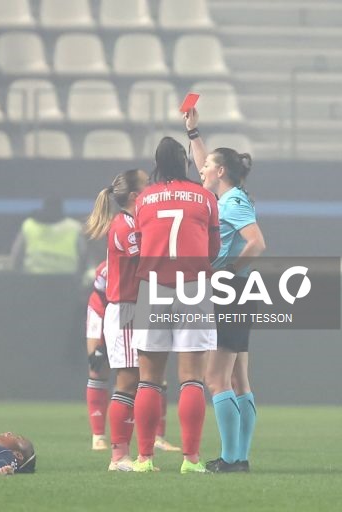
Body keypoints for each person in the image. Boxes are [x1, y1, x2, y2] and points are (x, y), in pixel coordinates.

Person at [131, 137, 220, 473]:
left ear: (156, 163)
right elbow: (213, 247)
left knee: (148, 380)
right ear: (184, 162)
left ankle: (143, 458)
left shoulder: (142, 199)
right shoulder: (205, 197)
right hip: (193, 286)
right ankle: (191, 460)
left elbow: (140, 244)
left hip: (152, 286)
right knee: (192, 378)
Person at [186, 108, 266, 473]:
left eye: (207, 168)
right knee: (238, 379)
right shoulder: (234, 195)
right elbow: (206, 165)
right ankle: (239, 458)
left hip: (228, 288)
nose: (200, 170)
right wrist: (194, 133)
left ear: (220, 173)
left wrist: (226, 270)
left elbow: (257, 243)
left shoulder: (230, 202)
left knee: (215, 378)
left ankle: (232, 459)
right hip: (242, 290)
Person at [86, 169, 151, 471]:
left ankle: (130, 453)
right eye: (148, 185)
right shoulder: (124, 226)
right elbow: (148, 261)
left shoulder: (133, 222)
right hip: (126, 310)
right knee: (127, 381)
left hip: (137, 308)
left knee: (138, 381)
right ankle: (118, 456)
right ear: (137, 196)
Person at [10, 196, 86, 276]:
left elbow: (16, 259)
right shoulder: (75, 227)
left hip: (33, 280)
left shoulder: (29, 226)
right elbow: (84, 258)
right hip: (67, 281)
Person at [84, 261, 111, 451]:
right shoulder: (105, 270)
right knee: (97, 366)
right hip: (105, 312)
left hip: (139, 310)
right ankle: (98, 435)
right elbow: (99, 298)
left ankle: (156, 436)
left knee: (147, 375)